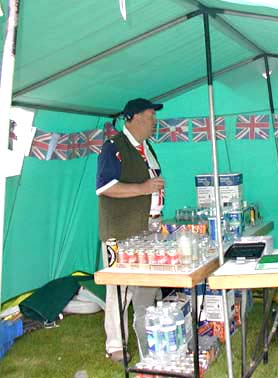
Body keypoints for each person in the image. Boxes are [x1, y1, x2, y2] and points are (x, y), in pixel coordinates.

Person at [96, 98, 165, 362]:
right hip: (120, 232)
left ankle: (151, 336)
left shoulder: (148, 148)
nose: (154, 122)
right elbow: (104, 188)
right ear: (133, 118)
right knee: (118, 289)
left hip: (147, 228)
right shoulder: (113, 147)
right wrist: (144, 188)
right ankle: (115, 346)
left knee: (144, 286)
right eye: (150, 117)